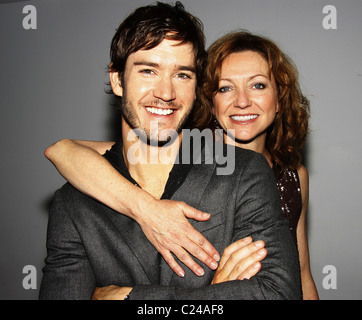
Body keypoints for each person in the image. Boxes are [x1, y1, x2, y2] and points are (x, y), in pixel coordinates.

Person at [40, 2, 301, 300]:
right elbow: (61, 150)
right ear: (117, 80)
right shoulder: (73, 202)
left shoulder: (245, 172)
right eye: (148, 70)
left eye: (182, 75)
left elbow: (279, 293)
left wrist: (132, 298)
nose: (165, 93)